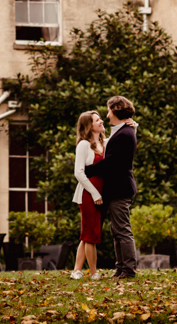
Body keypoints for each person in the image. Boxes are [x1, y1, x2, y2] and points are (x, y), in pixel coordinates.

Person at [84, 95, 139, 278]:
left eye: (108, 111)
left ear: (115, 111)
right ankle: (121, 267)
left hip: (120, 188)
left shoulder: (124, 133)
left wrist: (87, 170)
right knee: (116, 230)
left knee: (122, 229)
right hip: (117, 188)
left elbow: (112, 163)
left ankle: (128, 269)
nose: (107, 116)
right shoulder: (122, 131)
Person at [70, 110, 105, 280]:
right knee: (90, 234)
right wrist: (94, 193)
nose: (101, 122)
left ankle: (76, 270)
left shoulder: (104, 142)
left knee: (87, 235)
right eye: (97, 120)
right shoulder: (83, 145)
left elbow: (122, 138)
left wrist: (133, 126)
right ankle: (93, 273)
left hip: (100, 194)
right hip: (88, 194)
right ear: (89, 125)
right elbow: (79, 172)